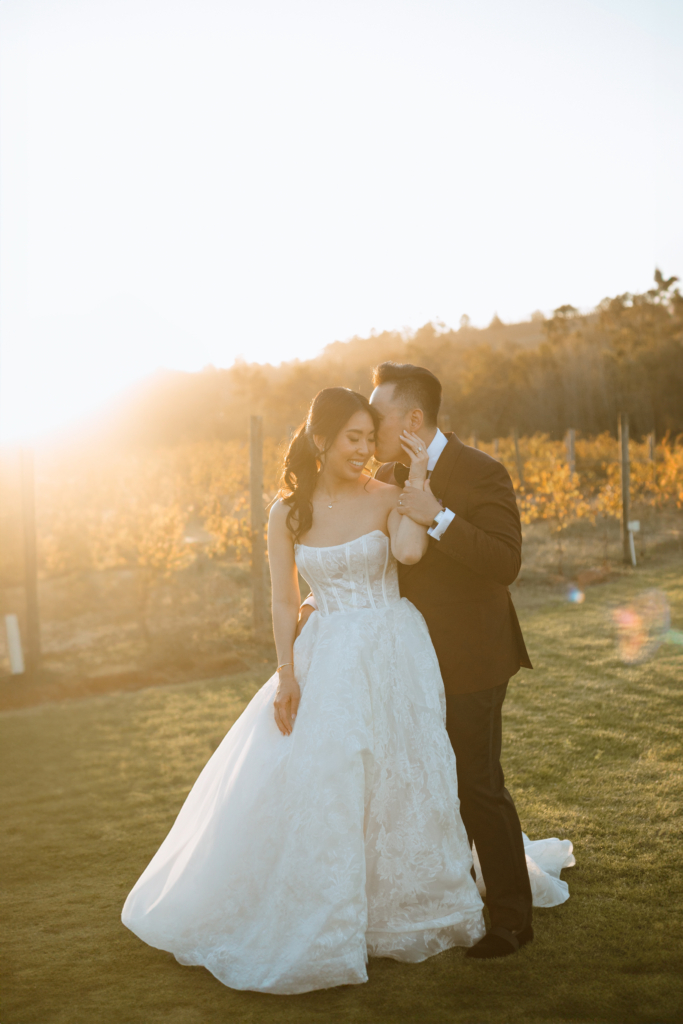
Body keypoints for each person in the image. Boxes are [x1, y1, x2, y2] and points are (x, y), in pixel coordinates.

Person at [121, 387, 487, 995]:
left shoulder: (389, 494)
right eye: (353, 438)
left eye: (369, 438)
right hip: (328, 654)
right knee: (331, 776)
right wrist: (286, 673)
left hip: (393, 649)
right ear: (322, 440)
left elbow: (407, 551)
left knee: (403, 772)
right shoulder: (287, 512)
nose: (364, 449)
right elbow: (284, 598)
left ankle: (407, 908)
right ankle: (329, 913)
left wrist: (419, 479)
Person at [299, 362, 574, 960]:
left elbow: (505, 562)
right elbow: (367, 553)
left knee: (477, 783)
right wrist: (319, 597)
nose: (368, 430)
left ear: (413, 418)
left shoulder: (481, 471)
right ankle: (447, 890)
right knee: (418, 783)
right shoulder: (384, 477)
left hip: (471, 657)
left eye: (377, 418)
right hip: (400, 665)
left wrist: (438, 516)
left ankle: (511, 919)